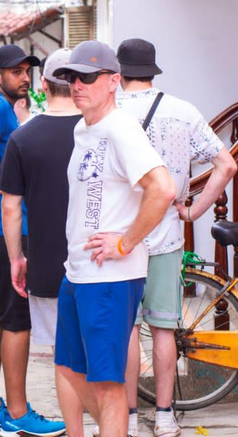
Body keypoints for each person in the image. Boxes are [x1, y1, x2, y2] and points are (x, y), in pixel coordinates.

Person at [51, 40, 175, 437]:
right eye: (71, 77)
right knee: (69, 369)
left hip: (109, 279)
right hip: (79, 272)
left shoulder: (122, 128)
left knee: (107, 385)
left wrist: (125, 242)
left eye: (87, 77)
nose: (77, 85)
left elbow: (163, 189)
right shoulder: (83, 126)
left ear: (113, 82)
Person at [115, 39, 237, 437]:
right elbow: (225, 164)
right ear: (153, 70)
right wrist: (193, 211)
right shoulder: (182, 111)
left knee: (129, 329)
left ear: (119, 72)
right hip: (166, 230)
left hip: (121, 236)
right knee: (165, 327)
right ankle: (165, 416)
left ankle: (129, 418)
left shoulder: (109, 112)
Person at [0, 44, 64, 435]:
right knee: (17, 322)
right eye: (16, 72)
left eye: (27, 71)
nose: (24, 78)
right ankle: (19, 414)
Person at [0, 48, 84, 433]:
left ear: (43, 85)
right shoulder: (102, 129)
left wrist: (16, 257)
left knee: (62, 355)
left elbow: (10, 208)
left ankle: (76, 428)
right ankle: (120, 421)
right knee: (107, 350)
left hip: (48, 263)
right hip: (103, 262)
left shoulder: (23, 138)